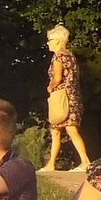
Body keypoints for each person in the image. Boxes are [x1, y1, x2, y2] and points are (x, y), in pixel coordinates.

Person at [40, 24, 92, 173]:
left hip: (63, 98)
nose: (48, 43)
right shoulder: (70, 55)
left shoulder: (58, 56)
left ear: (56, 40)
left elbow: (57, 78)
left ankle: (85, 161)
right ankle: (51, 163)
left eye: (49, 40)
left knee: (66, 130)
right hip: (73, 96)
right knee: (60, 130)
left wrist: (50, 87)